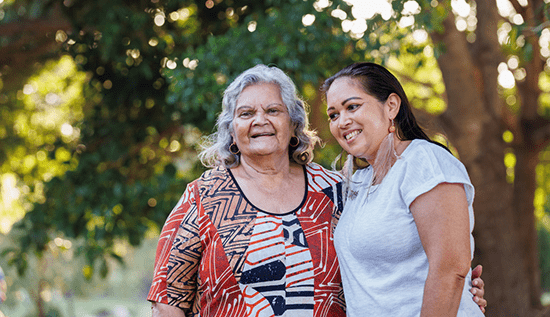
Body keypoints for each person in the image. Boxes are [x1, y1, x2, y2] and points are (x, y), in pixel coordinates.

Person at [147, 64, 486, 316]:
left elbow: (442, 263)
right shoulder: (204, 197)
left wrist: (461, 291)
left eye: (273, 110)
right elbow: (167, 298)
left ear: (293, 125)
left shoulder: (334, 189)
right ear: (231, 130)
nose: (259, 120)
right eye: (246, 113)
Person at [323, 62, 486, 316]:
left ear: (391, 106)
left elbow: (450, 270)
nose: (342, 121)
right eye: (333, 115)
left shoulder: (423, 162)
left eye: (352, 106)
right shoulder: (359, 183)